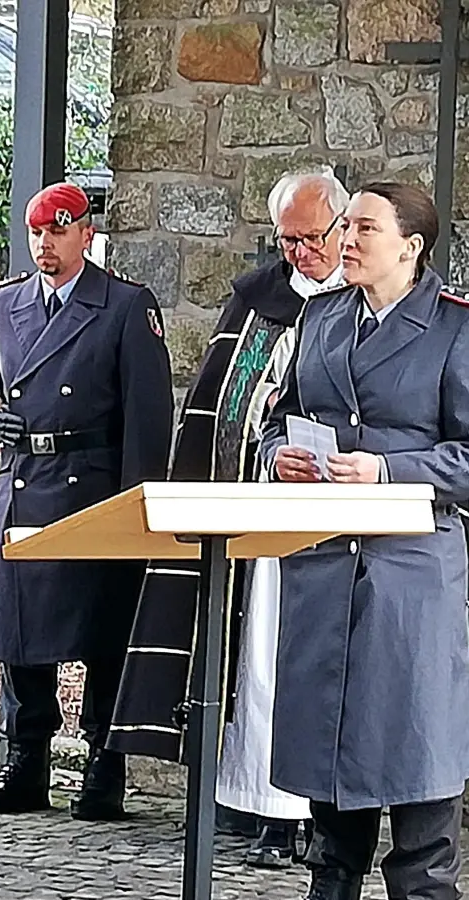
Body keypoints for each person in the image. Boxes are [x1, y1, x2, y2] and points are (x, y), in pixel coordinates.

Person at [110, 167, 344, 867]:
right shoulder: (258, 298)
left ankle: (324, 814)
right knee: (260, 658)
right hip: (268, 513)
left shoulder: (364, 299)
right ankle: (264, 808)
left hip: (344, 517)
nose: (299, 253)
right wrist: (267, 455)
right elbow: (221, 411)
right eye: (287, 240)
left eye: (311, 237)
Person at [264, 182, 469, 900]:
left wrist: (389, 470)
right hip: (323, 570)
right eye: (345, 227)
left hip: (409, 581)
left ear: (410, 247)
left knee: (418, 785)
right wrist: (275, 456)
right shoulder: (320, 319)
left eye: (364, 229)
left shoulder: (456, 329)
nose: (345, 240)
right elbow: (276, 417)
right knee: (331, 801)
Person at [0, 182, 173, 822]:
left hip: (96, 481)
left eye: (59, 230)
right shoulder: (7, 302)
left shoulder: (124, 307)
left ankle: (103, 763)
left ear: (86, 233)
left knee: (104, 630)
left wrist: (140, 503)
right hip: (26, 478)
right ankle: (24, 761)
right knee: (22, 632)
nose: (46, 244)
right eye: (38, 233)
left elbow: (148, 413)